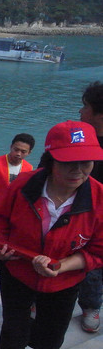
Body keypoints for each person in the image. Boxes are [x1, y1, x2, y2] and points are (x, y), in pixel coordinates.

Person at [0, 120, 103, 349]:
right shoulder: (25, 185)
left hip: (63, 281)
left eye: (86, 162)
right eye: (69, 163)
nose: (78, 171)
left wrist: (62, 266)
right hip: (18, 273)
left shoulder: (99, 198)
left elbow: (98, 251)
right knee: (13, 331)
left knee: (50, 343)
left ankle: (25, 331)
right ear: (51, 160)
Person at [0, 133, 35, 277]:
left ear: (29, 153)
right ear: (11, 147)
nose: (18, 154)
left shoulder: (29, 168)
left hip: (13, 214)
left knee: (6, 243)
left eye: (23, 151)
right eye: (16, 149)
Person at [77, 81, 103, 333]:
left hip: (98, 219)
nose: (80, 111)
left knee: (94, 266)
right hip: (70, 213)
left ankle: (91, 305)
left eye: (85, 107)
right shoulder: (76, 139)